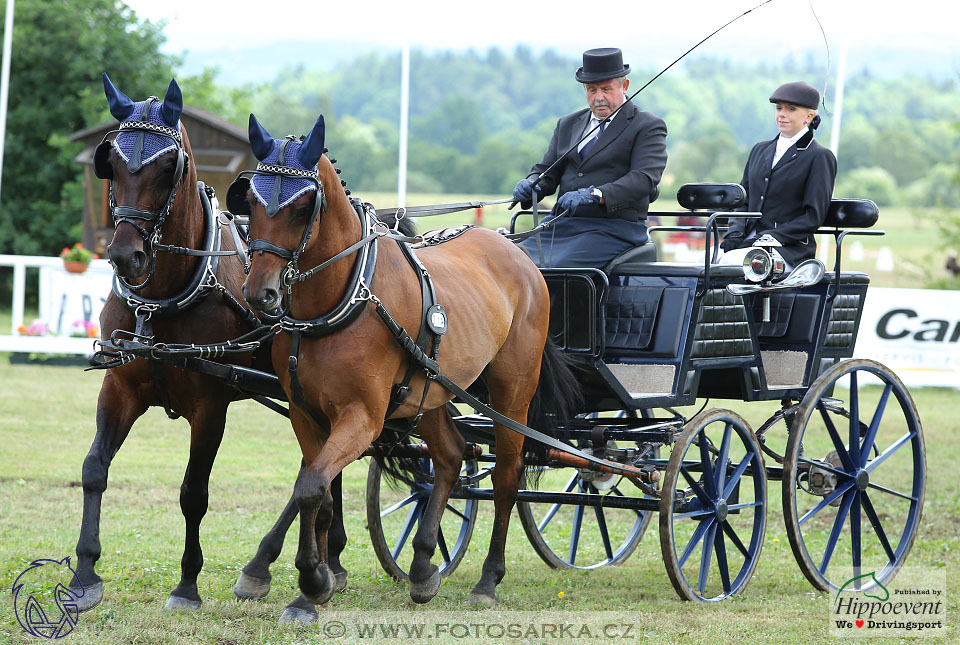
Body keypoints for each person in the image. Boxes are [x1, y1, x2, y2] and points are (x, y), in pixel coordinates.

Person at [513, 47, 667, 269]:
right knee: (512, 264)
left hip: (614, 228)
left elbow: (643, 179)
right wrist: (532, 183)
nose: (599, 97)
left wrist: (596, 195)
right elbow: (547, 170)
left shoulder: (647, 126)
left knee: (553, 268)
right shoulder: (568, 124)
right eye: (591, 90)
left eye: (606, 89)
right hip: (561, 225)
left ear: (624, 86)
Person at [721, 81, 837, 271]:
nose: (782, 114)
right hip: (746, 243)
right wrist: (734, 233)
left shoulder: (819, 157)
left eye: (791, 109)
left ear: (809, 115)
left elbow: (813, 216)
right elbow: (742, 199)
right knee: (704, 260)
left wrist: (771, 236)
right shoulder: (760, 150)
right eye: (778, 108)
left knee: (728, 263)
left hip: (788, 249)